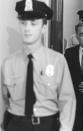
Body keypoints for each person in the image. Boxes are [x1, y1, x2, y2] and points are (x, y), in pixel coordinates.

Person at [0, 0, 76, 131]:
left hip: (47, 125)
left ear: (44, 28)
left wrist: (65, 128)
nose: (27, 28)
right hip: (14, 124)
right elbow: (3, 100)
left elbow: (67, 99)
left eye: (33, 23)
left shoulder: (57, 61)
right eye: (23, 23)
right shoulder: (9, 63)